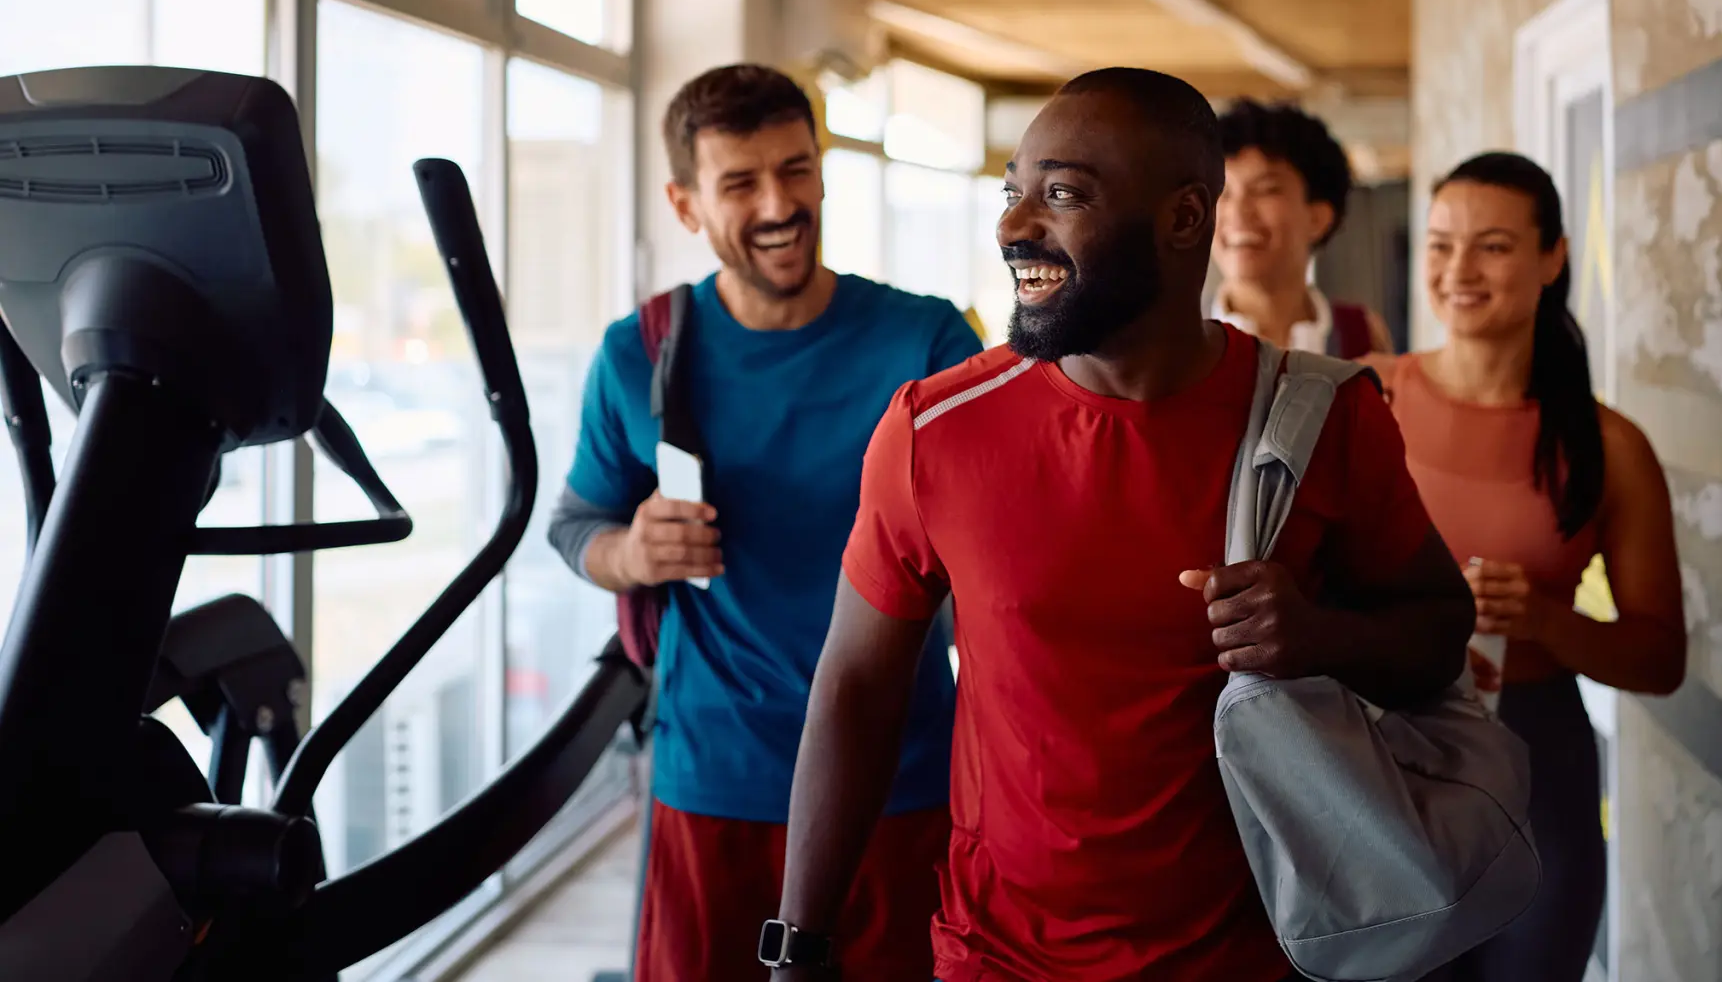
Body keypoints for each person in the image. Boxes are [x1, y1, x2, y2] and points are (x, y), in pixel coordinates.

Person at [767, 68, 1475, 981]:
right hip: (1000, 959)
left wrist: (1319, 636)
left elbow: (1439, 635)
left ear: (1184, 218)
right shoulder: (934, 429)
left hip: (1260, 958)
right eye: (1013, 193)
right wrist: (798, 945)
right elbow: (857, 689)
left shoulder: (1325, 419)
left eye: (1063, 195)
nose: (1015, 227)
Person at [547, 64, 982, 981]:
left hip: (897, 779)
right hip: (716, 778)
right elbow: (578, 523)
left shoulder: (928, 342)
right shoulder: (640, 354)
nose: (780, 205)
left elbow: (999, 547)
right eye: (741, 183)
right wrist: (632, 551)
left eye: (795, 170)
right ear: (686, 204)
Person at [1361, 152, 1686, 982]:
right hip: (1376, 754)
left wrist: (1545, 619)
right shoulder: (1364, 399)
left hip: (1539, 763)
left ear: (1553, 258)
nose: (1459, 270)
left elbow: (1660, 659)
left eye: (1494, 246)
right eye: (1441, 244)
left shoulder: (1610, 446)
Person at [1211, 98, 1393, 356]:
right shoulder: (1168, 337)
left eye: (1265, 190)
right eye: (1222, 192)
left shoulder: (1362, 336)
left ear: (1317, 218)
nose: (1237, 211)